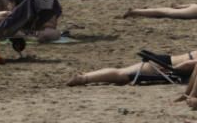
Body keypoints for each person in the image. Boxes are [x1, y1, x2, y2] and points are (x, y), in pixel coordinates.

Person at [67, 52, 197, 86]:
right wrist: (172, 69)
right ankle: (84, 78)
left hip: (168, 61)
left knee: (123, 73)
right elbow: (189, 65)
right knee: (122, 76)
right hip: (166, 64)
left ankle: (87, 75)